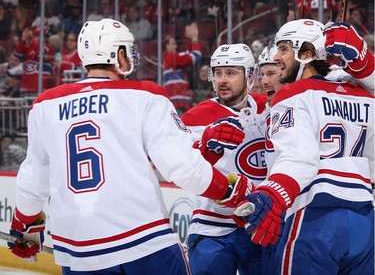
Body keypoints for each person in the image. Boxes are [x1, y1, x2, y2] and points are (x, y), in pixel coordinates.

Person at [7, 18, 253, 275]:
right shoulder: (144, 95)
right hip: (143, 240)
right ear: (119, 54)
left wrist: (25, 224)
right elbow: (183, 167)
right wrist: (229, 189)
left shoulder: (44, 105)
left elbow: (34, 177)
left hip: (78, 248)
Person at [235, 19, 374, 275]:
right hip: (364, 220)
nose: (277, 56)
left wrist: (273, 195)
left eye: (284, 49)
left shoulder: (294, 94)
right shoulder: (362, 93)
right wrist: (364, 61)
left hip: (315, 215)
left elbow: (299, 157)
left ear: (307, 53)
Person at [181, 43, 268, 275]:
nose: (222, 80)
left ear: (249, 75)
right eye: (218, 73)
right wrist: (203, 144)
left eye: (230, 73)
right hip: (212, 226)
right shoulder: (196, 117)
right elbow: (183, 168)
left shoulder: (268, 107)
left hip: (260, 223)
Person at [163, 22, 202, 115]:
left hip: (180, 102)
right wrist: (194, 38)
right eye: (173, 44)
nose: (176, 46)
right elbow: (196, 56)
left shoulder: (172, 59)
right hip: (179, 103)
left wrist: (190, 40)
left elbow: (187, 54)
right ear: (166, 46)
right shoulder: (171, 58)